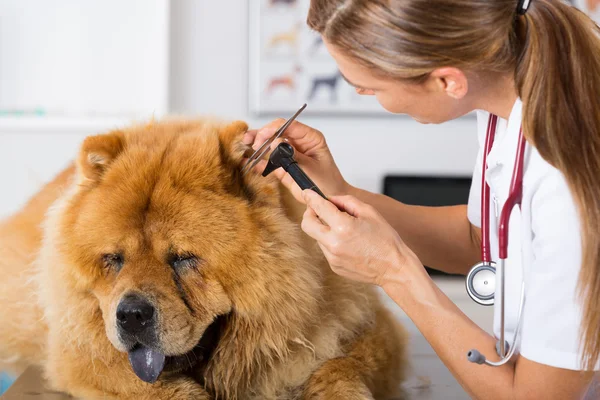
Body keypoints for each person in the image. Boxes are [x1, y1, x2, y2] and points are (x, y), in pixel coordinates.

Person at [243, 0, 600, 398]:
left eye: (369, 87)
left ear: (448, 82)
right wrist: (337, 191)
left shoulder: (571, 188)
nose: (361, 92)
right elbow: (479, 240)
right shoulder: (507, 100)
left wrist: (392, 271)